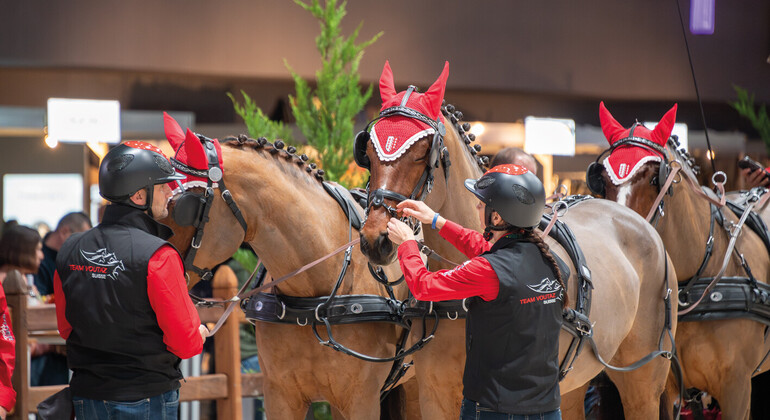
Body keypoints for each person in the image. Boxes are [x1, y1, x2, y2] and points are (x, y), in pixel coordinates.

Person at [386, 164, 566, 420]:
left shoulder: (489, 270)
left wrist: (407, 244)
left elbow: (423, 286)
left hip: (493, 409)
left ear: (497, 218)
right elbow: (483, 248)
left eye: (482, 203)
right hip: (548, 409)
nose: (477, 207)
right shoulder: (550, 261)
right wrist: (435, 220)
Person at [53, 141, 208, 420]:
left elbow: (66, 327)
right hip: (146, 397)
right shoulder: (158, 255)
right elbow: (186, 343)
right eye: (162, 187)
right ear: (139, 196)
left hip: (87, 395)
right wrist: (199, 334)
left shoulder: (70, 248)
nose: (169, 194)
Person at [30, 212, 92, 388]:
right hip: (43, 349)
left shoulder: (76, 260)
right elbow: (38, 306)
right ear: (65, 231)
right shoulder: (38, 260)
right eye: (81, 238)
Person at [0, 225, 45, 419]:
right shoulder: (4, 281)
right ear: (21, 249)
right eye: (37, 248)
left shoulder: (29, 283)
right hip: (18, 366)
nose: (42, 255)